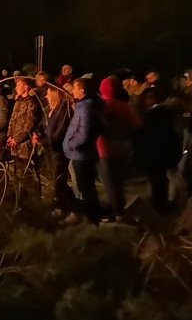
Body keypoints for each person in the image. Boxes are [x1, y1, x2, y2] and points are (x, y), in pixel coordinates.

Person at [96, 76, 141, 222]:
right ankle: (120, 211)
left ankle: (116, 214)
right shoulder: (125, 106)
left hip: (105, 150)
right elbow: (138, 125)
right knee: (118, 183)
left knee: (109, 184)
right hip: (123, 149)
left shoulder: (101, 106)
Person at [135, 88, 183, 212]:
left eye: (150, 97)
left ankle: (160, 207)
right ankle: (163, 204)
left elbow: (146, 136)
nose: (148, 100)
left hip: (154, 154)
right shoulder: (166, 113)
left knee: (157, 182)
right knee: (161, 181)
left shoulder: (152, 115)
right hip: (163, 153)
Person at [62, 78, 102, 225]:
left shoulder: (86, 108)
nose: (72, 90)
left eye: (75, 88)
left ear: (82, 90)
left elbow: (84, 133)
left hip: (82, 153)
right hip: (82, 153)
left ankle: (92, 219)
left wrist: (70, 145)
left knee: (86, 187)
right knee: (87, 187)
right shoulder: (84, 106)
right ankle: (92, 217)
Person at [33, 86, 76, 217]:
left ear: (55, 95)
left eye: (48, 94)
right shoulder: (49, 110)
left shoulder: (64, 112)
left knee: (60, 181)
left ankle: (75, 209)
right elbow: (40, 124)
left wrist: (43, 141)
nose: (46, 97)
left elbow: (59, 134)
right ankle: (62, 207)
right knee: (56, 181)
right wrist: (37, 133)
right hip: (49, 150)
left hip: (60, 150)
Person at [7, 78, 43, 181]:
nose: (16, 88)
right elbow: (12, 119)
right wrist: (10, 136)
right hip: (15, 145)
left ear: (26, 87)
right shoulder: (18, 102)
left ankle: (32, 194)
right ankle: (20, 194)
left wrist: (17, 139)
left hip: (24, 146)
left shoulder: (31, 103)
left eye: (19, 85)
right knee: (18, 172)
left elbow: (29, 124)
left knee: (27, 173)